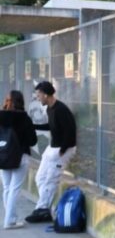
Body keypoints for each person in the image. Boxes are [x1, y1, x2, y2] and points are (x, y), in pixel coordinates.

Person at [25, 80, 76, 223]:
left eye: (39, 95)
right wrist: (34, 126)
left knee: (51, 180)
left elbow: (70, 132)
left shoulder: (61, 109)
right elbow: (52, 127)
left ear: (46, 95)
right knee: (40, 178)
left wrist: (63, 150)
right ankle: (45, 209)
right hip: (52, 148)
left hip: (62, 150)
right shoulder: (50, 109)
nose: (37, 97)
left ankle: (41, 209)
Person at [0, 90, 37, 229]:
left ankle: (12, 218)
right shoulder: (24, 118)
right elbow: (32, 141)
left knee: (7, 188)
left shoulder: (1, 117)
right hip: (20, 156)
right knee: (14, 189)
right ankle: (9, 221)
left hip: (3, 156)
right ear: (20, 101)